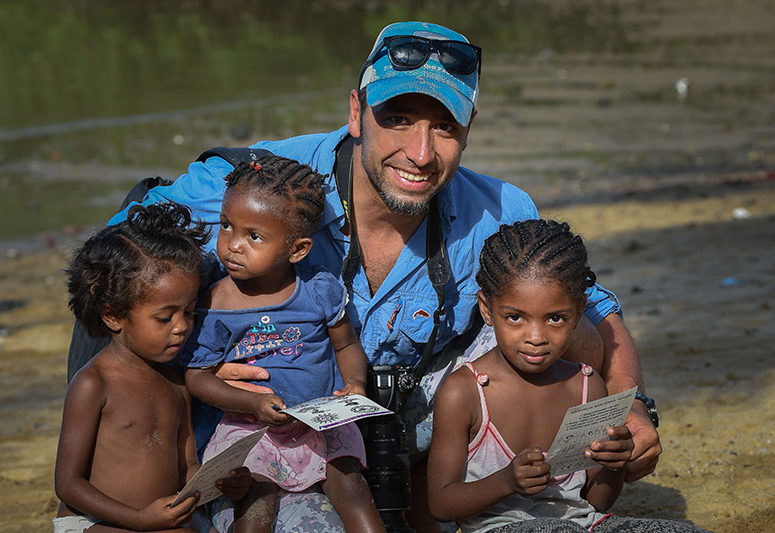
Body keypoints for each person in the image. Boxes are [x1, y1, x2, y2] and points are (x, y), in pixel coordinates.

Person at [96, 21, 660, 531]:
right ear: (355, 112)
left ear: (469, 130)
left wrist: (630, 408)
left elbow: (598, 314)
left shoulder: (501, 209)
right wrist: (200, 347)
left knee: (540, 307)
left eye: (444, 127)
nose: (420, 153)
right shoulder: (257, 187)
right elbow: (112, 264)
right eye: (396, 119)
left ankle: (496, 500)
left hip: (403, 421)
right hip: (257, 427)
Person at [427, 219, 708, 533]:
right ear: (487, 309)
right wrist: (505, 481)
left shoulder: (586, 385)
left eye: (555, 318)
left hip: (583, 525)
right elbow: (441, 503)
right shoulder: (464, 391)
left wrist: (612, 465)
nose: (535, 336)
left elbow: (596, 502)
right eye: (515, 317)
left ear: (579, 312)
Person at [181, 157, 384, 533]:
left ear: (297, 249)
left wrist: (355, 383)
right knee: (256, 504)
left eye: (253, 236)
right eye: (227, 226)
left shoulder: (318, 290)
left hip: (320, 422)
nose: (232, 246)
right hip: (250, 428)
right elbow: (198, 378)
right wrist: (251, 403)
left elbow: (346, 346)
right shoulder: (218, 303)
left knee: (352, 489)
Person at [55, 203, 252, 532]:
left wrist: (221, 481)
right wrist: (139, 519)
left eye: (188, 312)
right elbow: (68, 484)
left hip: (161, 520)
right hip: (94, 521)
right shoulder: (93, 383)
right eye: (164, 317)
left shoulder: (177, 379)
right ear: (113, 316)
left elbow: (187, 464)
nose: (181, 327)